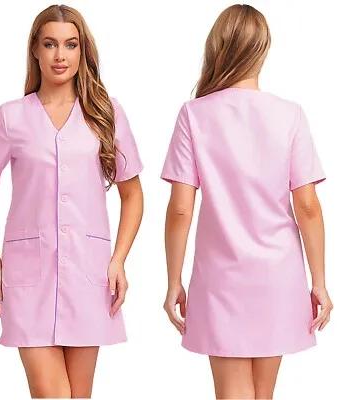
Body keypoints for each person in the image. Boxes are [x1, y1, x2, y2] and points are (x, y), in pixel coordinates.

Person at [0, 4, 143, 398]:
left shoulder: (106, 114)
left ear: (82, 51)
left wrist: (118, 259)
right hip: (28, 280)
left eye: (70, 44)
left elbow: (132, 194)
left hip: (89, 275)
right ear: (35, 50)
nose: (60, 55)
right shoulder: (10, 118)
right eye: (50, 44)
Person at [160, 4, 333, 399]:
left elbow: (181, 209)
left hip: (220, 277)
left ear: (217, 48)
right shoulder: (290, 115)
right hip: (278, 274)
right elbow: (308, 207)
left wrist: (173, 282)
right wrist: (319, 282)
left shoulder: (194, 115)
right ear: (263, 49)